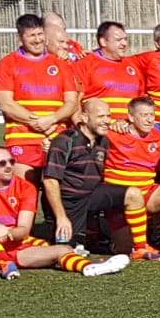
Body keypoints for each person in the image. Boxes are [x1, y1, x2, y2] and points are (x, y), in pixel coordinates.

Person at [0, 146, 127, 280]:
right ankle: (3, 261)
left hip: (14, 248)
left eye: (11, 161)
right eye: (2, 163)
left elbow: (23, 229)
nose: (9, 166)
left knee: (63, 249)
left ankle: (89, 267)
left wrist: (6, 234)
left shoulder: (26, 188)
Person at [0, 13, 80, 194]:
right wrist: (38, 121)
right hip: (23, 137)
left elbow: (71, 102)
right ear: (20, 37)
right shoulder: (8, 63)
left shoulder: (60, 64)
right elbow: (6, 104)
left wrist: (52, 119)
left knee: (58, 195)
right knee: (26, 194)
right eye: (32, 35)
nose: (38, 40)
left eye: (40, 34)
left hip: (56, 137)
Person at [42, 99, 131, 253]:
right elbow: (50, 182)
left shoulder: (104, 141)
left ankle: (131, 246)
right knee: (65, 251)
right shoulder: (65, 140)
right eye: (101, 116)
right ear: (84, 117)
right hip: (68, 202)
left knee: (133, 194)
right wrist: (61, 217)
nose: (107, 121)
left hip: (91, 196)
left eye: (108, 116)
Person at [102, 96, 160, 259]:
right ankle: (119, 240)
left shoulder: (159, 137)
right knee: (124, 249)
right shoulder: (112, 134)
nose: (149, 120)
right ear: (131, 117)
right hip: (119, 200)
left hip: (146, 193)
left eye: (152, 115)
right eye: (144, 115)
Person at [76, 21, 143, 115]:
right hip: (101, 124)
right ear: (103, 42)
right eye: (118, 40)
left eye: (125, 39)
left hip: (129, 123)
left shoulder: (132, 66)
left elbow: (141, 101)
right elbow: (75, 101)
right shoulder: (85, 64)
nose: (124, 43)